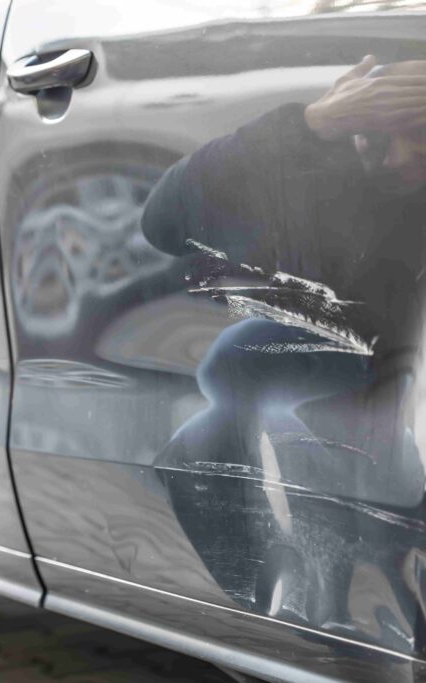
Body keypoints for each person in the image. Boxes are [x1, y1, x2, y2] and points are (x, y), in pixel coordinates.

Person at [141, 56, 426, 645]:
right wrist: (311, 124)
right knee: (199, 445)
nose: (396, 160)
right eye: (378, 139)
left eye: (420, 141)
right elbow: (165, 221)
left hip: (383, 426)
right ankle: (287, 603)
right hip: (344, 422)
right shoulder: (327, 173)